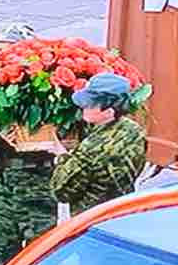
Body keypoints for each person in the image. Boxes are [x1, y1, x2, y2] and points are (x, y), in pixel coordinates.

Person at [0, 23, 61, 265]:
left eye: (6, 50)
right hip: (2, 186)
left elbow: (67, 134)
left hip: (38, 188)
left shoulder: (49, 92)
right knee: (0, 262)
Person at [49, 72, 148, 216]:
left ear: (109, 111)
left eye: (90, 104)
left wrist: (61, 157)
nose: (84, 107)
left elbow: (61, 192)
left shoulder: (92, 148)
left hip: (91, 218)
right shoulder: (134, 130)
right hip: (122, 211)